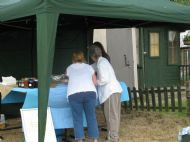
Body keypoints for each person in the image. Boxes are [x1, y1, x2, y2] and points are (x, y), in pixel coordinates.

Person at [89, 44, 122, 142]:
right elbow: (91, 67)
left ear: (93, 56)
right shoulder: (102, 61)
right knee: (112, 116)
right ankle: (112, 136)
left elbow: (104, 79)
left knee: (112, 116)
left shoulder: (102, 63)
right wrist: (82, 67)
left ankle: (113, 139)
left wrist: (96, 82)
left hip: (110, 92)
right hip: (112, 92)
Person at [66, 51, 99, 142]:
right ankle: (95, 140)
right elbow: (95, 82)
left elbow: (67, 80)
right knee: (91, 116)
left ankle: (80, 140)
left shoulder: (69, 68)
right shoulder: (89, 67)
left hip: (74, 94)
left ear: (73, 59)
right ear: (83, 58)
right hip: (90, 93)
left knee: (77, 118)